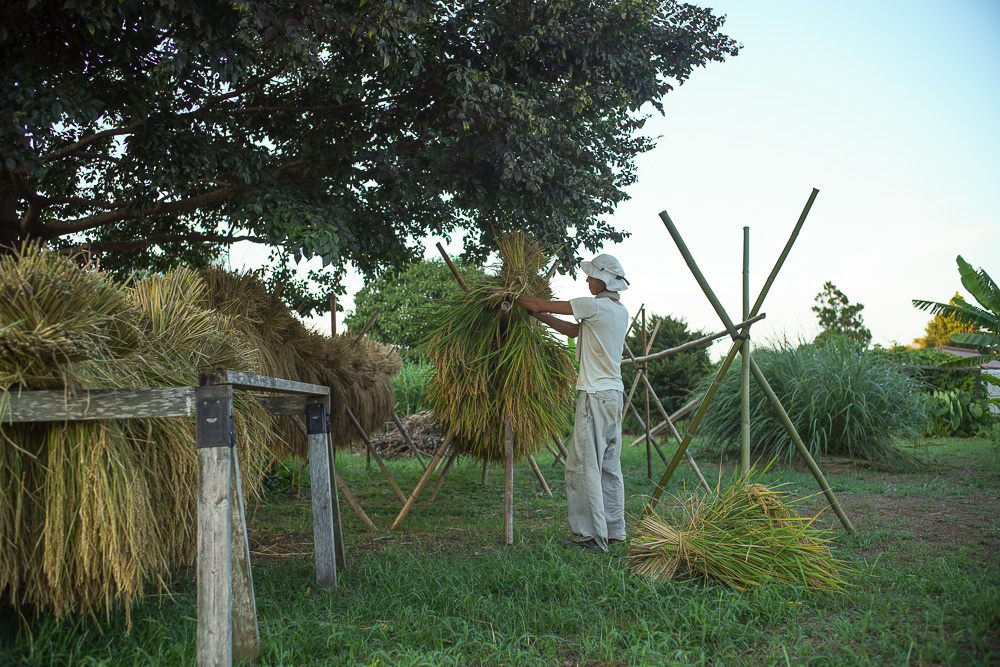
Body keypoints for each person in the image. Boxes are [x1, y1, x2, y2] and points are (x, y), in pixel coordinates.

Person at [515, 254, 630, 552]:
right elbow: (569, 330)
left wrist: (512, 296)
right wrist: (534, 314)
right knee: (608, 466)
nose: (586, 280)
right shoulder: (618, 311)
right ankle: (615, 530)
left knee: (582, 465)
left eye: (590, 276)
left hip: (594, 395)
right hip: (613, 395)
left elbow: (539, 303)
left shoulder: (593, 305)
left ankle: (592, 535)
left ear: (603, 279)